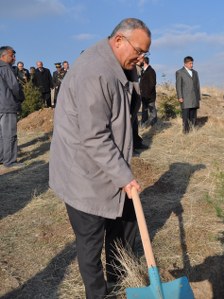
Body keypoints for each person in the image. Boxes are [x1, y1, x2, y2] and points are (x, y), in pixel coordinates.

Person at [49, 18, 151, 298]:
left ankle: (120, 282)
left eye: (145, 54)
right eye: (139, 51)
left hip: (107, 167)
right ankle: (98, 294)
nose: (141, 58)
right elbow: (94, 137)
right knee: (91, 243)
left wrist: (132, 73)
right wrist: (125, 177)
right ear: (119, 40)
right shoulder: (94, 72)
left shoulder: (119, 66)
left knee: (124, 224)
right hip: (83, 174)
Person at [0, 46, 25, 168]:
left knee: (1, 134)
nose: (14, 58)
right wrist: (20, 98)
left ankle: (2, 158)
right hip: (7, 105)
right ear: (3, 56)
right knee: (10, 134)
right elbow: (14, 86)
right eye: (12, 55)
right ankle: (10, 161)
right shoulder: (6, 68)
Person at [175, 56, 201, 134]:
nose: (192, 65)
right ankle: (186, 131)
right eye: (190, 63)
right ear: (185, 63)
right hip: (185, 98)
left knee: (193, 115)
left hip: (194, 97)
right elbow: (178, 85)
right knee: (186, 115)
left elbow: (197, 85)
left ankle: (193, 129)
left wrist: (198, 96)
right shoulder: (179, 72)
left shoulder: (195, 72)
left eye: (192, 63)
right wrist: (180, 97)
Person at [139, 56, 157, 127]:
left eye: (141, 61)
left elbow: (152, 84)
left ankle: (154, 125)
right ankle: (144, 125)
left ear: (144, 62)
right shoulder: (143, 71)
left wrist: (147, 94)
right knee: (144, 111)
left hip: (150, 96)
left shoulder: (151, 71)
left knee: (152, 111)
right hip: (144, 96)